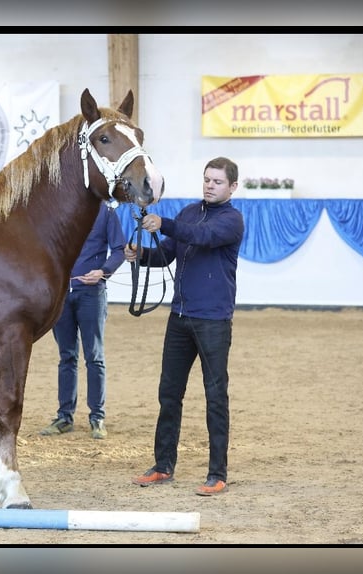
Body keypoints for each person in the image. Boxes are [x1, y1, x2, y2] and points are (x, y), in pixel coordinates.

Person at [126, 156, 244, 496]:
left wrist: (163, 223)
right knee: (169, 394)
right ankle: (163, 466)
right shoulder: (190, 212)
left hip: (213, 321)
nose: (210, 185)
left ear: (232, 187)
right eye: (207, 179)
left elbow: (200, 237)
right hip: (179, 318)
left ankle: (217, 473)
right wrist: (141, 255)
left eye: (217, 181)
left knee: (215, 396)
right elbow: (168, 253)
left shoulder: (231, 221)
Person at [40, 199, 127, 440]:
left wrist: (103, 271)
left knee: (94, 356)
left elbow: (119, 249)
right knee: (66, 356)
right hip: (62, 293)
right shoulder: (58, 209)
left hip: (91, 293)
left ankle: (97, 417)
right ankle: (65, 416)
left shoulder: (106, 212)